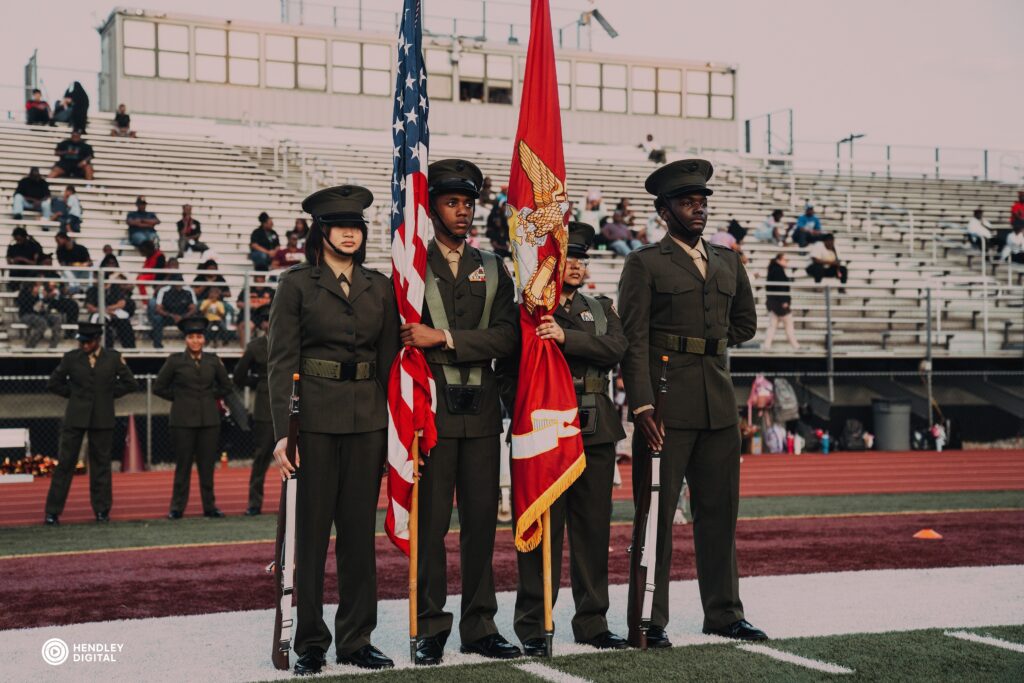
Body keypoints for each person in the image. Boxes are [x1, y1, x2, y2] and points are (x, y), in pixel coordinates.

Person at [618, 159, 765, 647]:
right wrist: (640, 407)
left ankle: (724, 613)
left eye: (702, 202)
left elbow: (745, 324)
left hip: (718, 403)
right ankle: (647, 619)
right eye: (686, 203)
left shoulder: (726, 260)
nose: (697, 210)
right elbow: (632, 338)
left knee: (720, 514)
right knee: (656, 517)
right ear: (664, 211)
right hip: (664, 405)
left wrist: (707, 342)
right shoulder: (645, 263)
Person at [267, 185, 399, 674]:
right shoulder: (297, 284)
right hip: (314, 423)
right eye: (340, 226)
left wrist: (394, 431)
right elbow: (281, 360)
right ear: (320, 232)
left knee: (359, 538)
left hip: (367, 420)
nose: (350, 233)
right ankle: (310, 643)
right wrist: (285, 432)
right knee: (312, 538)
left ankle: (356, 640)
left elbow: (388, 360)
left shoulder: (379, 285)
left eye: (357, 226)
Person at [399, 160, 520, 666]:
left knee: (479, 526)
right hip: (431, 414)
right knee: (430, 527)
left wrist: (444, 339)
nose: (463, 211)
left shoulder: (493, 266)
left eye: (469, 203)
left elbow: (508, 336)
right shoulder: (410, 266)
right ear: (432, 208)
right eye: (452, 203)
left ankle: (480, 625)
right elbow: (403, 338)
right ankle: (429, 627)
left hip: (482, 415)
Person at [510, 222, 629, 655]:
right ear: (551, 261)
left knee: (593, 530)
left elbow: (617, 349)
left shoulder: (601, 308)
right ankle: (533, 623)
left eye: (582, 258)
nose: (576, 265)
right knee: (544, 529)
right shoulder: (530, 312)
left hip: (595, 427)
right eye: (569, 257)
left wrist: (567, 338)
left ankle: (592, 620)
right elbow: (510, 369)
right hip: (545, 429)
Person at [43, 322, 138, 524]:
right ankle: (52, 511)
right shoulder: (70, 358)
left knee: (101, 465)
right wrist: (75, 395)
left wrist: (108, 395)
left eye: (88, 342)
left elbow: (131, 383)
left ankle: (102, 510)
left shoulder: (113, 358)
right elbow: (54, 383)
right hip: (76, 417)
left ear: (97, 340)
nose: (84, 345)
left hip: (102, 418)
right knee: (65, 464)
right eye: (82, 342)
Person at [154, 316, 232, 519]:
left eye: (199, 337)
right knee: (183, 466)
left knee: (207, 467)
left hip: (209, 421)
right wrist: (180, 398)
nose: (195, 341)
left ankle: (210, 507)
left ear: (203, 339)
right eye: (191, 337)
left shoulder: (213, 360)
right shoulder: (174, 361)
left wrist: (207, 398)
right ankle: (177, 507)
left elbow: (226, 386)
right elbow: (159, 387)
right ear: (185, 340)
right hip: (182, 422)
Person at [234, 307, 273, 516]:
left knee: (299, 460)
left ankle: (297, 502)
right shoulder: (255, 347)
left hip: (292, 408)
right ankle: (254, 503)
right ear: (261, 325)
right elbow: (239, 376)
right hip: (265, 409)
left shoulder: (293, 343)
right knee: (262, 457)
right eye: (266, 320)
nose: (270, 323)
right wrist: (259, 382)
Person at [150, 268, 198, 348]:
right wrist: (171, 316)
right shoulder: (164, 291)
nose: (178, 284)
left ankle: (192, 344)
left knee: (195, 318)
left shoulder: (188, 291)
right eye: (176, 282)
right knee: (157, 319)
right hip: (168, 316)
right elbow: (158, 308)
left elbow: (193, 308)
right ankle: (157, 345)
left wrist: (183, 316)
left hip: (184, 316)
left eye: (180, 282)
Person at [86, 274, 136, 348]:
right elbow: (90, 307)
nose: (94, 280)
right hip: (99, 313)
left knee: (124, 322)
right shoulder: (92, 290)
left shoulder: (114, 288)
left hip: (114, 312)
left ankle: (130, 348)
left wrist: (110, 309)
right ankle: (107, 349)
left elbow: (122, 303)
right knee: (103, 324)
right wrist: (105, 311)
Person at [763, 253, 800, 351]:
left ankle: (767, 346)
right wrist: (784, 301)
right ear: (779, 260)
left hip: (774, 303)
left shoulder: (774, 269)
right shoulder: (778, 270)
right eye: (785, 260)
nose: (786, 262)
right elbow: (781, 287)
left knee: (773, 325)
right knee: (788, 325)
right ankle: (796, 346)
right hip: (779, 303)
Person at [17, 282, 62, 348]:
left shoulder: (40, 293)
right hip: (27, 315)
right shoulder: (24, 293)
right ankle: (30, 345)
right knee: (42, 322)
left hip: (40, 314)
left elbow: (45, 306)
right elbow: (24, 305)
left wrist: (48, 297)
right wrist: (34, 295)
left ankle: (53, 345)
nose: (39, 287)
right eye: (37, 286)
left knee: (57, 318)